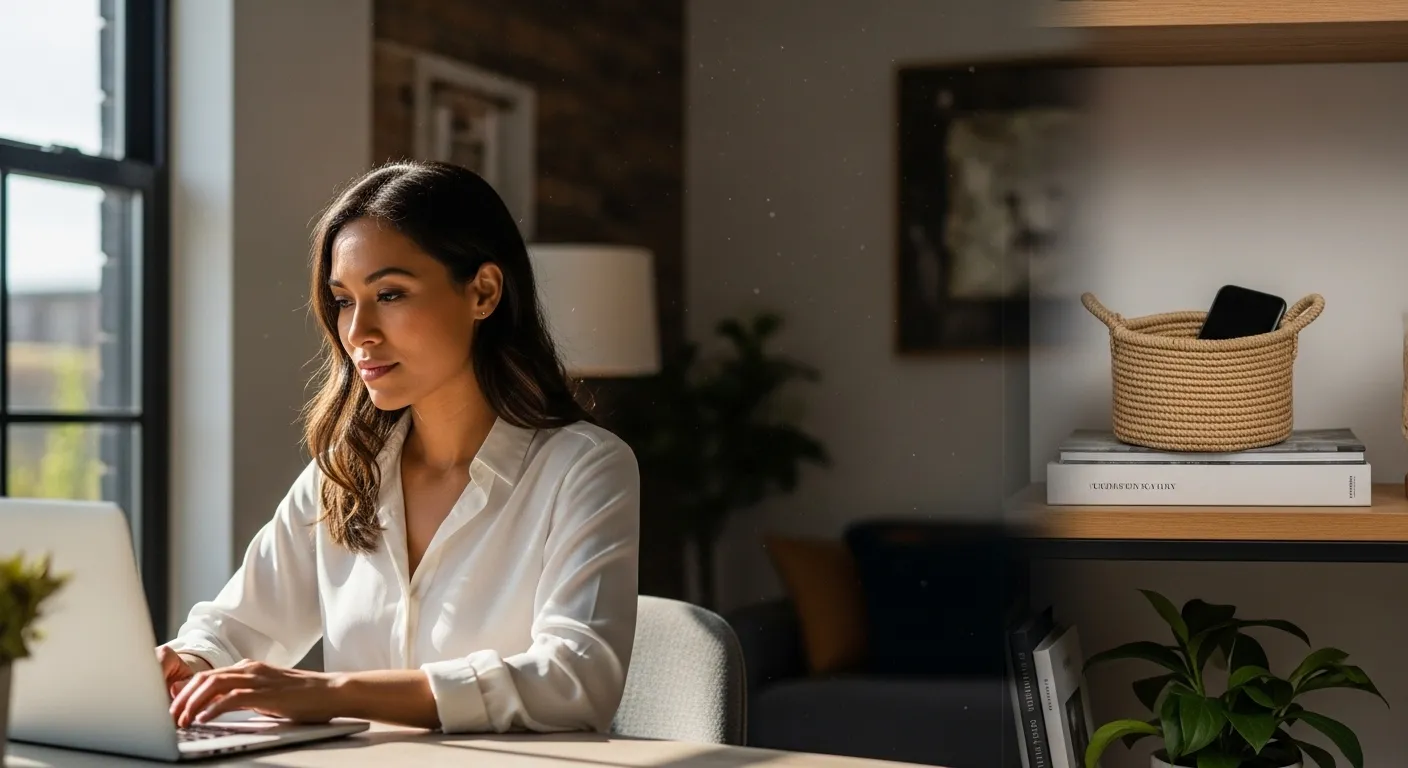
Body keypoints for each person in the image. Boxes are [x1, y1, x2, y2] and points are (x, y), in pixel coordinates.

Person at [157, 161, 641, 735]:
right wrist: (186, 664)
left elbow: (574, 679)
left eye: (390, 293)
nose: (358, 331)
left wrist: (331, 692)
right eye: (342, 300)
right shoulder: (343, 474)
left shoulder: (582, 467)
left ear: (483, 291)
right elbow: (238, 626)